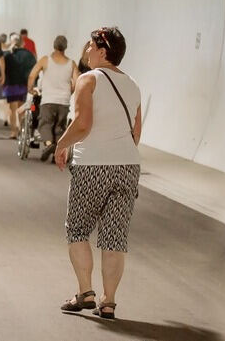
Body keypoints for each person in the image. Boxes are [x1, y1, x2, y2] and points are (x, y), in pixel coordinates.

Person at [54, 27, 140, 320]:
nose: (86, 52)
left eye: (90, 46)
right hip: (128, 166)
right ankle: (109, 301)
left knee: (77, 229)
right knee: (115, 236)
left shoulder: (88, 80)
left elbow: (82, 124)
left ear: (103, 51)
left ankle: (85, 291)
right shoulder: (132, 85)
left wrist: (61, 144)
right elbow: (136, 133)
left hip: (92, 165)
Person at [27, 35, 79, 162]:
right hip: (64, 101)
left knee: (45, 123)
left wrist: (30, 88)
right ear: (65, 47)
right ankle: (57, 150)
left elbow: (32, 75)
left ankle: (49, 145)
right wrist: (70, 92)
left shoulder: (45, 60)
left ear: (54, 45)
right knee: (59, 127)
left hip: (48, 100)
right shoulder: (71, 63)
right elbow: (77, 81)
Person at [3, 34, 36, 139]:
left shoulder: (8, 55)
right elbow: (33, 71)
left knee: (12, 109)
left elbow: (2, 68)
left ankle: (13, 132)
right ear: (23, 43)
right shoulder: (29, 55)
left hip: (11, 85)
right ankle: (22, 131)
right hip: (23, 85)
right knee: (21, 109)